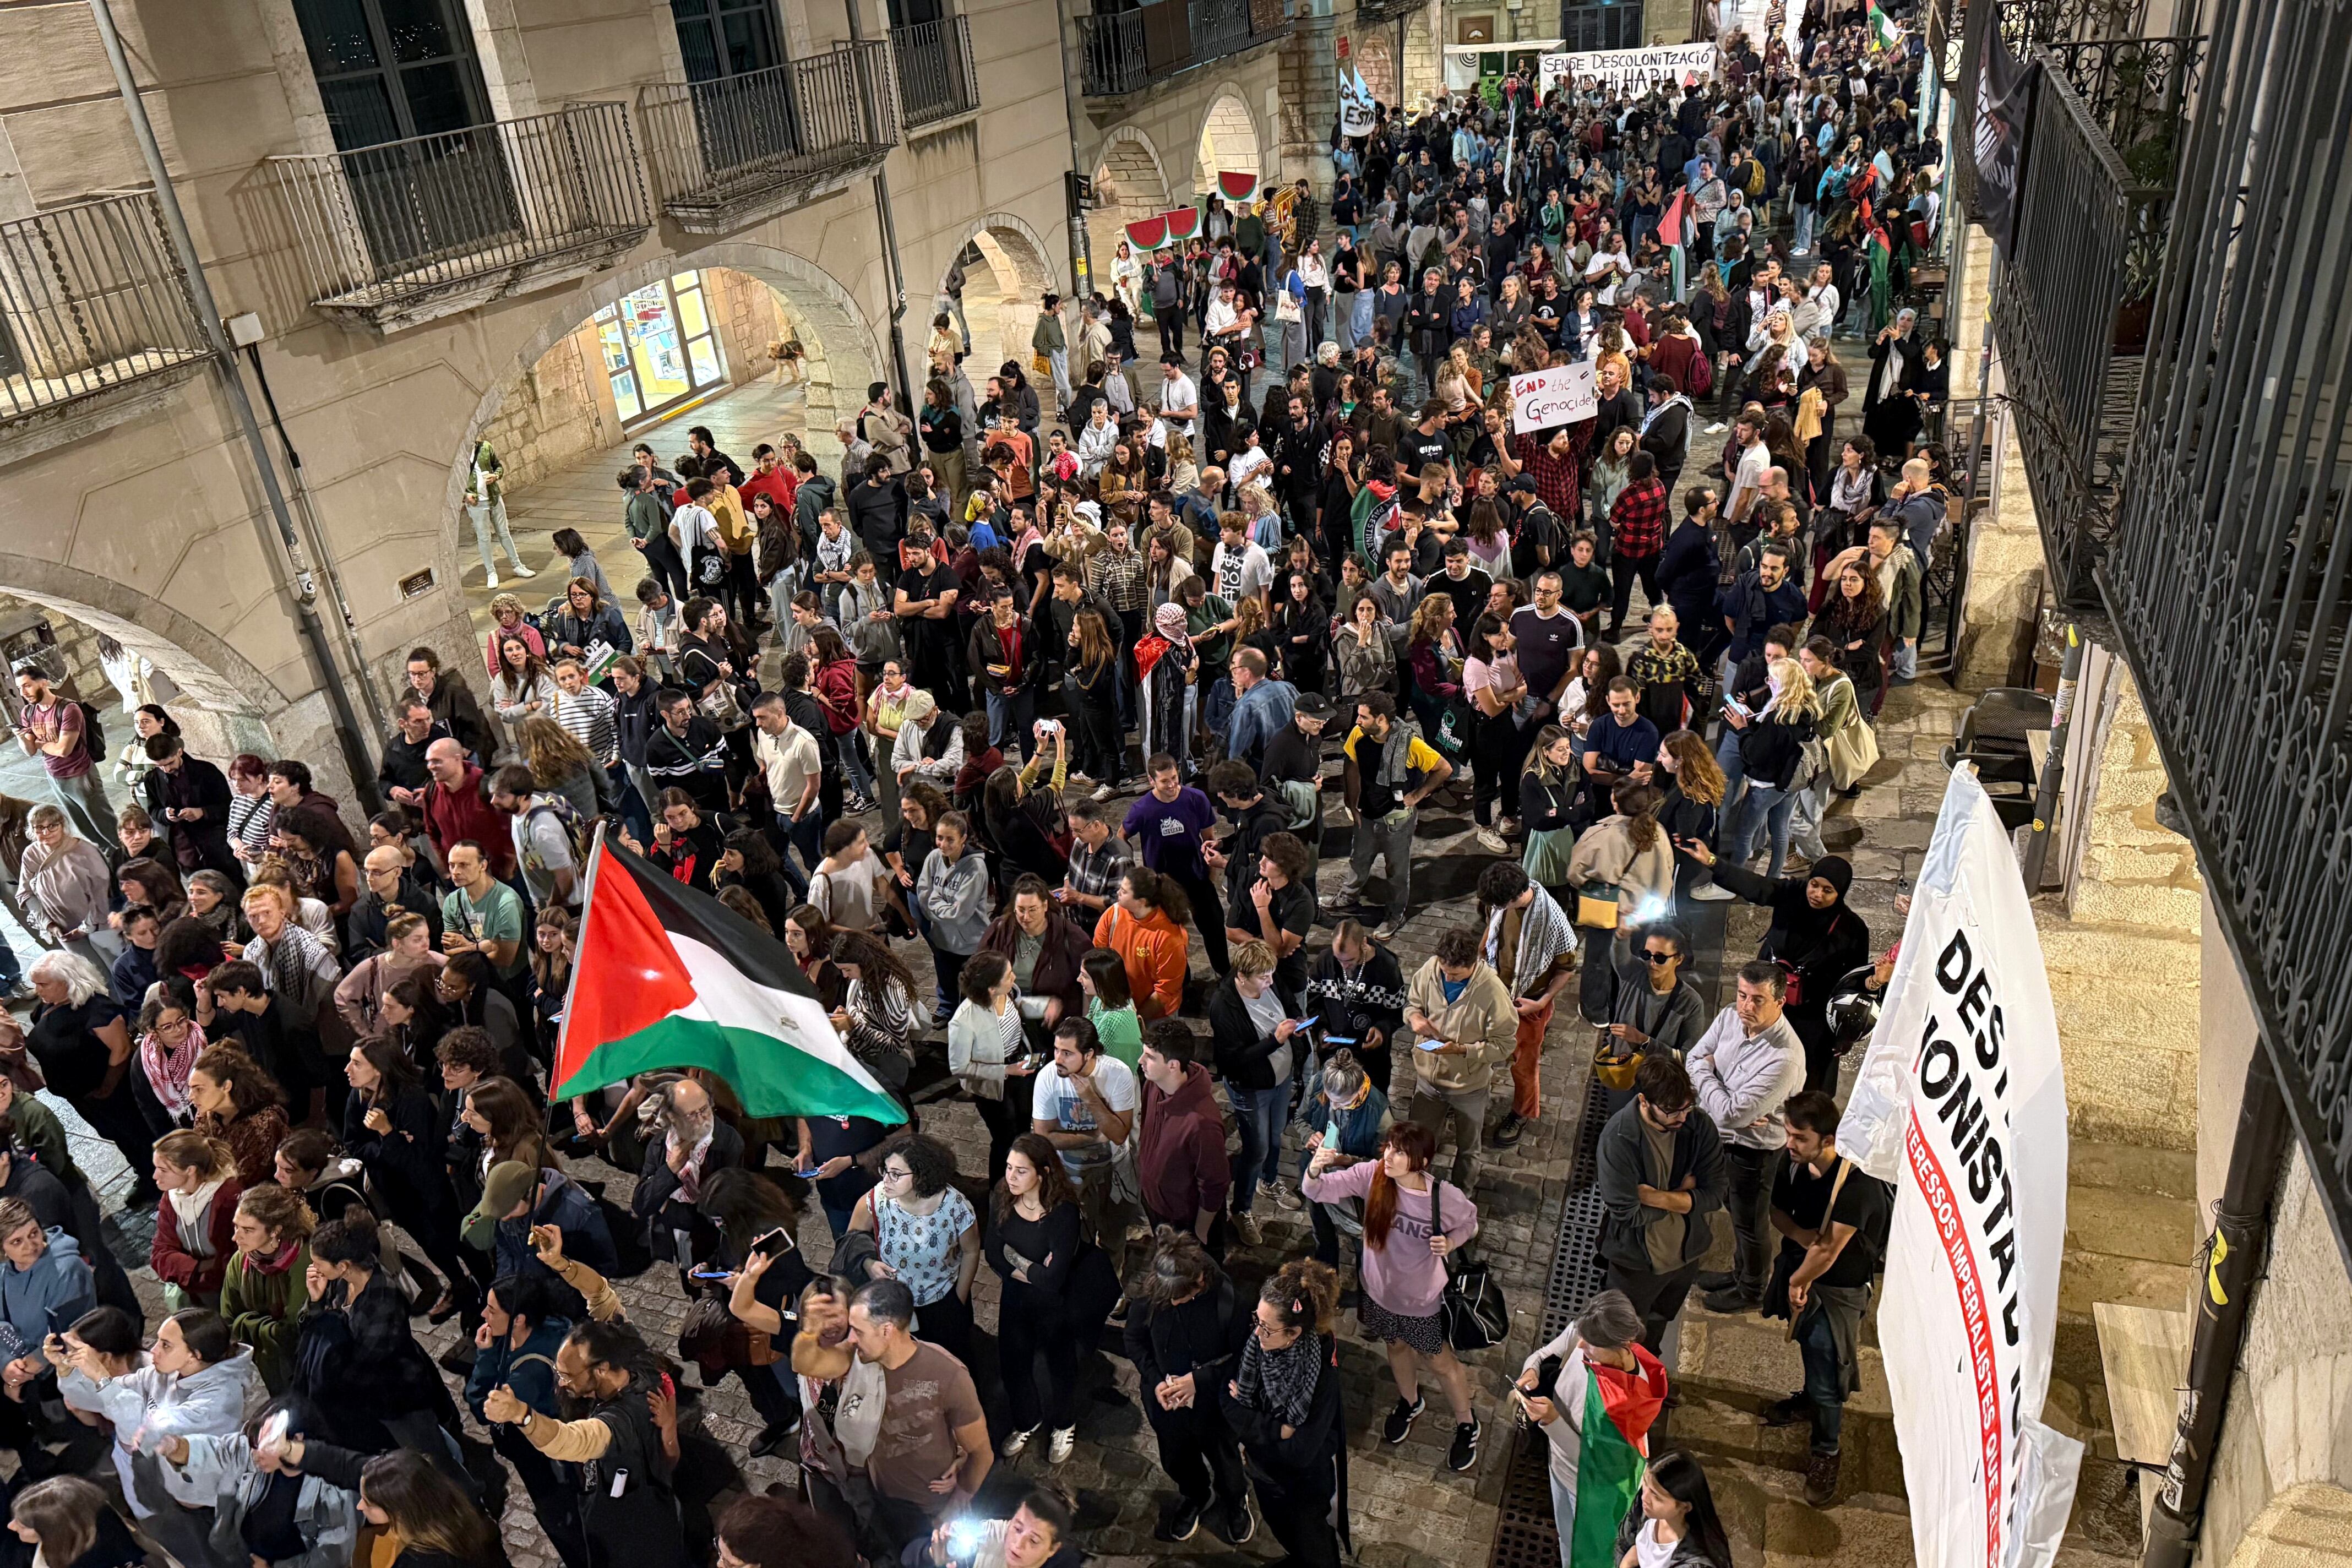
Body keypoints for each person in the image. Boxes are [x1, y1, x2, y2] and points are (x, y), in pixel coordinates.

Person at [1303, 1120, 1482, 1470]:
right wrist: (1315, 1166)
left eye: (1399, 1152)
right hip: (1379, 1293)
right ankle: (1410, 1401)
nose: (1389, 1156)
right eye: (1389, 1148)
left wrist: (1451, 1242)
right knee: (1396, 1346)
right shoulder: (1372, 1175)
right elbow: (1317, 1189)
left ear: (1421, 1163)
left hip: (1421, 1302)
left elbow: (1469, 1222)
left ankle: (1466, 1423)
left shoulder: (1440, 1196)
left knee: (1440, 1362)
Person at [1758, 1089, 1892, 1507]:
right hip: (1804, 1271)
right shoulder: (1794, 1163)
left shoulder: (1858, 1186)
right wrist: (1799, 1238)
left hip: (1836, 1289)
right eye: (1788, 1134)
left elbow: (1830, 1250)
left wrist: (1798, 1281)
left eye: (1800, 1137)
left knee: (1828, 1370)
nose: (1789, 1144)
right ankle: (1810, 1401)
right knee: (1810, 1353)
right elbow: (1777, 1213)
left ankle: (1827, 1451)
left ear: (1828, 1139)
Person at [480, 1319, 693, 1568]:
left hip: (634, 1531)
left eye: (567, 1376)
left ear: (601, 1369)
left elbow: (571, 1440)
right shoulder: (635, 1365)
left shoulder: (619, 1424)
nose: (561, 1383)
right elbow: (600, 1296)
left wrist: (521, 1414)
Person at [1679, 962, 1807, 1315]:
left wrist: (1708, 1076)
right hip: (1720, 1141)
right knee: (1732, 1212)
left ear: (1780, 1002)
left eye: (1758, 1000)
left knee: (1749, 1224)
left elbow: (1730, 1114)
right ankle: (1738, 1275)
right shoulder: (1728, 1018)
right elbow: (1693, 1059)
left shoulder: (1785, 1060)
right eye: (1742, 995)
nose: (1746, 1007)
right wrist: (1718, 1087)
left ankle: (1752, 1290)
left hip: (1752, 1153)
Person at [986, 1133, 1120, 1463]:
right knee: (1014, 1365)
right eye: (1008, 1168)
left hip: (1056, 1306)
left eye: (1021, 1171)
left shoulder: (1062, 1212)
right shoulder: (1002, 1196)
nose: (1011, 1177)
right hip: (1016, 1299)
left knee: (1062, 1369)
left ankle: (1063, 1423)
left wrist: (1015, 1260)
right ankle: (1027, 1421)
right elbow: (993, 1254)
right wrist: (1030, 1269)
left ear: (1043, 1172)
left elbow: (1052, 1279)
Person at [1512, 1289, 1669, 1567]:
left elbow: (1591, 1462)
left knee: (1584, 1550)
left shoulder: (1623, 1404)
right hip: (1558, 1466)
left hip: (1585, 1487)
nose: (1581, 1345)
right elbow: (1547, 1353)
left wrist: (1551, 1420)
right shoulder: (1591, 1336)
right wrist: (1531, 1370)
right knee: (1565, 1539)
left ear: (1622, 1343)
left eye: (1592, 1344)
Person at [843, 1278, 993, 1557]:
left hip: (928, 1511)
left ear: (887, 1331)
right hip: (878, 1493)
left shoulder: (948, 1375)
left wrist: (954, 1508)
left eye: (858, 1331)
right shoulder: (861, 1362)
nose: (850, 1339)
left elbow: (982, 1454)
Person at [1214, 1258, 1346, 1568]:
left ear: (1293, 1334)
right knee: (1284, 1534)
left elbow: (1301, 1453)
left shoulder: (1322, 1375)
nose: (1257, 1333)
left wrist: (1252, 1425)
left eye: (1266, 1327)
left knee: (1315, 1550)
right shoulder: (1255, 1346)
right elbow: (1227, 1401)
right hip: (1263, 1472)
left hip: (1303, 1485)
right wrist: (1276, 1430)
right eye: (1256, 1321)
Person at [1125, 1227, 1254, 1545]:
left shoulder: (1229, 1301)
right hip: (1166, 1402)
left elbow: (1246, 1358)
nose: (1173, 1303)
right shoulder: (1156, 1291)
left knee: (1225, 1459)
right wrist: (1155, 1382)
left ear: (1199, 1282)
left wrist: (1199, 1381)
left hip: (1214, 1403)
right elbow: (1134, 1339)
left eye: (1179, 1298)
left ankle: (1235, 1501)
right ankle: (1195, 1496)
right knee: (1176, 1458)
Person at [846, 1133, 980, 1367]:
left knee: (952, 1364)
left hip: (942, 1303)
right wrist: (868, 1263)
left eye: (896, 1175)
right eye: (885, 1170)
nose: (887, 1180)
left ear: (920, 1175)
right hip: (896, 1306)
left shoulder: (954, 1205)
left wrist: (957, 1300)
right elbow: (851, 1241)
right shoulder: (876, 1200)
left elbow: (971, 1251)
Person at [1398, 927, 1515, 1194]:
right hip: (1428, 1080)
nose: (1447, 977)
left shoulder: (1494, 992)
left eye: (1456, 975)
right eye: (1444, 970)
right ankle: (1416, 1193)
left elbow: (1504, 1045)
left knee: (1468, 1149)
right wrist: (1414, 1017)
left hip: (1469, 1086)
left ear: (1473, 965)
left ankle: (1462, 1197)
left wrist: (1463, 1050)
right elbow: (1412, 1004)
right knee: (1419, 1142)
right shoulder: (1430, 970)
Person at [1030, 1017, 1139, 1284]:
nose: (1058, 1059)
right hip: (1070, 1175)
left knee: (1113, 1235)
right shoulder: (1047, 1078)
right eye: (1056, 1050)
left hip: (1113, 1172)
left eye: (1067, 1053)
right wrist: (1094, 1135)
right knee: (1074, 1236)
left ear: (1089, 1054)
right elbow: (1044, 1137)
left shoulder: (1118, 1074)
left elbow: (1118, 1134)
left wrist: (1091, 1098)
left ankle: (1112, 1285)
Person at [1207, 941, 1305, 1239]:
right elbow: (1232, 1061)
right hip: (1251, 1088)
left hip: (1281, 1079)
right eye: (1264, 977)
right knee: (1256, 1149)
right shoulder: (1225, 1006)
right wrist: (1275, 1041)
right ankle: (1241, 1209)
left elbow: (1291, 1005)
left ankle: (1270, 1180)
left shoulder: (1271, 984)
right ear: (1242, 976)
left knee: (1275, 1136)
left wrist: (1299, 1022)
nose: (1271, 981)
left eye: (1272, 974)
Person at [1338, 693, 1452, 938]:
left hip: (1396, 820)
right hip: (1367, 813)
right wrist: (1352, 803)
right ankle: (1347, 897)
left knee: (1397, 872)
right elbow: (1352, 763)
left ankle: (1395, 913)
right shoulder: (1359, 735)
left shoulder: (1411, 744)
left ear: (1381, 719)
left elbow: (1444, 768)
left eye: (1363, 716)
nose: (1357, 720)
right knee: (1358, 859)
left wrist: (1418, 795)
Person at [218, 1182, 313, 1393]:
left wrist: (248, 1323)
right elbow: (228, 1317)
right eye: (236, 1227)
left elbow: (293, 1330)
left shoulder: (305, 1261)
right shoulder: (241, 1260)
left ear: (275, 1231)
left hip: (303, 1364)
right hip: (267, 1362)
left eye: (248, 1230)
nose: (236, 1237)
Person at [13, 666, 113, 854]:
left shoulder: (68, 709)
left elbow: (63, 750)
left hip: (80, 774)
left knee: (103, 821)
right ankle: (109, 854)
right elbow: (29, 751)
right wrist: (21, 737)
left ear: (44, 683)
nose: (23, 692)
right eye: (20, 688)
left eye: (27, 686)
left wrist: (39, 743)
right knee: (82, 824)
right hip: (54, 776)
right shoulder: (28, 713)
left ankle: (128, 853)